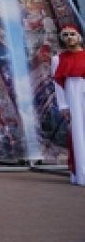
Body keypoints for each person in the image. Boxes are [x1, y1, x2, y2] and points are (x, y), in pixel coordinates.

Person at [53, 24, 85, 186]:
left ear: (79, 36)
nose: (69, 37)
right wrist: (63, 106)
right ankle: (81, 174)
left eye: (72, 34)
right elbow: (58, 86)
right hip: (72, 95)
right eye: (65, 35)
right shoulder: (58, 59)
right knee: (77, 133)